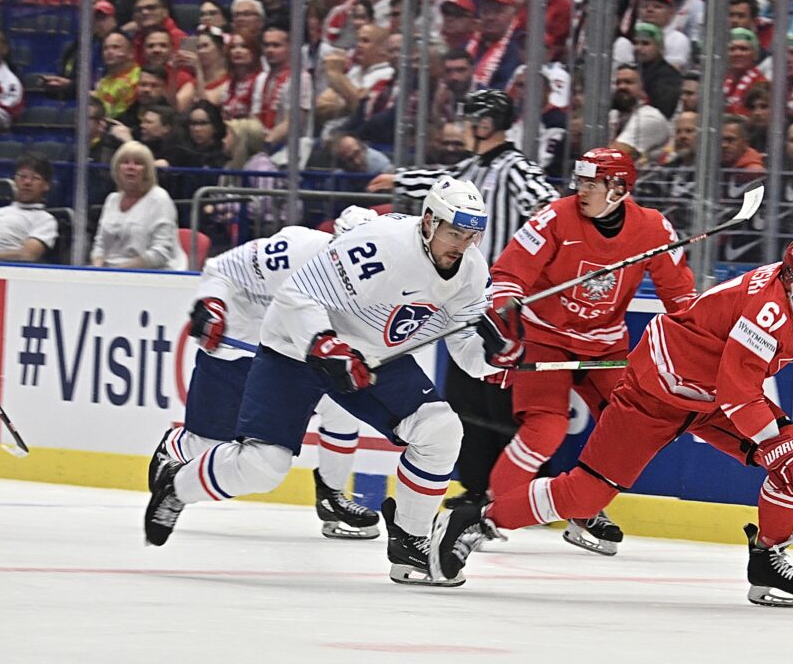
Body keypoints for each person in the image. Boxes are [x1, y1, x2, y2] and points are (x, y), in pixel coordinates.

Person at [431, 234, 793, 607]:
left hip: (711, 396)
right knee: (586, 494)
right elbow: (739, 393)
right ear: (791, 281)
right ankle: (478, 518)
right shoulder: (766, 309)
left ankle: (767, 559)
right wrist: (771, 443)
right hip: (658, 390)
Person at [144, 181, 502, 591]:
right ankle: (176, 487)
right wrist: (323, 344)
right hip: (294, 349)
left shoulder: (471, 269)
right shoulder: (379, 245)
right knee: (263, 467)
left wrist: (496, 353)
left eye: (471, 235)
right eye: (455, 233)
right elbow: (296, 293)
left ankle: (409, 541)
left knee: (440, 429)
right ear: (428, 222)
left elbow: (468, 350)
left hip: (370, 355)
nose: (463, 244)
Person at [482, 148, 697, 555]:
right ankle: (492, 513)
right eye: (579, 181)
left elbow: (681, 297)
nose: (580, 190)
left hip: (605, 346)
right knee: (546, 429)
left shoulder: (653, 228)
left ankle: (584, 506)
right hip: (546, 338)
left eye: (590, 183)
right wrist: (504, 321)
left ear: (617, 188)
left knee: (629, 431)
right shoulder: (554, 218)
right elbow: (508, 275)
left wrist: (700, 337)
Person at [148, 207, 383, 542]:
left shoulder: (374, 280)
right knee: (209, 444)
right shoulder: (292, 250)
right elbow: (221, 268)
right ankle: (176, 447)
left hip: (293, 353)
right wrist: (212, 303)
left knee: (342, 409)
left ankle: (331, 495)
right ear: (334, 242)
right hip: (241, 344)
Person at [377, 90, 560, 513]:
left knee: (503, 401)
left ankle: (521, 490)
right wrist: (398, 180)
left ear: (486, 122)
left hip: (503, 303)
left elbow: (547, 204)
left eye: (470, 119)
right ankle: (476, 486)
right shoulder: (470, 169)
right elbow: (437, 182)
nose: (464, 127)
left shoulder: (515, 167)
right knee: (466, 399)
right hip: (466, 298)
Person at [91, 141, 183, 270]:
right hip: (109, 271)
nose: (131, 167)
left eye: (138, 163)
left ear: (147, 171)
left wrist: (120, 269)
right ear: (117, 169)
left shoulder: (159, 199)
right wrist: (97, 267)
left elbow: (161, 252)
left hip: (151, 272)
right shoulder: (112, 199)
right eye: (125, 162)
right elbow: (99, 245)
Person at [0, 153, 59, 263]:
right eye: (23, 177)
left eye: (35, 178)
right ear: (15, 180)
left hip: (0, 266)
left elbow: (28, 255)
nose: (27, 182)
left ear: (46, 185)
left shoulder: (46, 220)